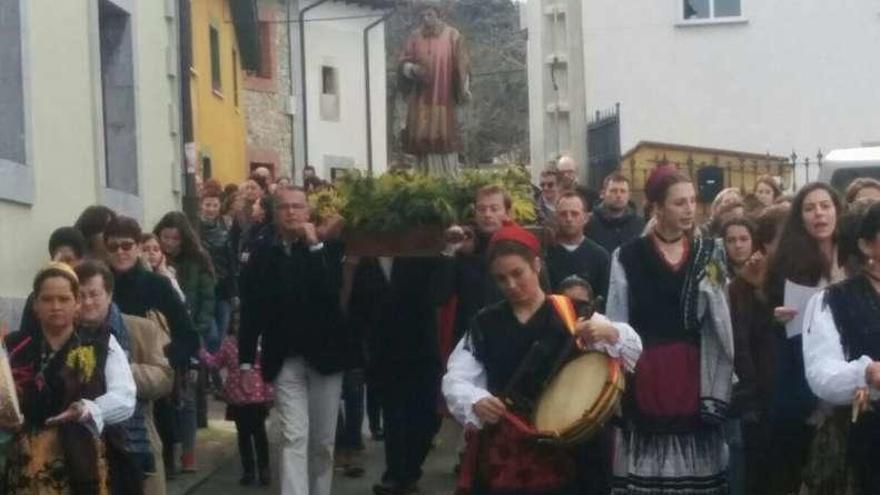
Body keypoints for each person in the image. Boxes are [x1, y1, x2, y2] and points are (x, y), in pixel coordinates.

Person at [443, 223, 641, 495]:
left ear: (536, 265)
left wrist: (608, 332)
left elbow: (631, 347)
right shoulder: (485, 323)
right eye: (501, 279)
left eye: (517, 273)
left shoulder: (572, 311)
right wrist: (475, 399)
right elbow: (457, 377)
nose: (511, 285)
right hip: (510, 449)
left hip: (572, 449)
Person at [606, 166, 734, 495]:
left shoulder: (710, 254)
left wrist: (720, 379)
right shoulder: (628, 256)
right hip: (646, 371)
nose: (689, 208)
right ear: (657, 207)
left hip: (694, 374)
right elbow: (617, 318)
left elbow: (720, 319)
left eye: (692, 201)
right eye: (679, 202)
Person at [238, 186, 350, 495]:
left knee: (323, 441)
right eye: (284, 207)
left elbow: (330, 292)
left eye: (297, 207)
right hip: (284, 357)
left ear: (308, 212)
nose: (291, 212)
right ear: (274, 214)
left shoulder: (328, 249)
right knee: (293, 435)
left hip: (325, 357)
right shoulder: (261, 253)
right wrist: (246, 363)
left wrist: (314, 245)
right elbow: (251, 309)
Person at [5, 263, 136, 494]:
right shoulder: (14, 346)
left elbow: (125, 397)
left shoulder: (101, 345)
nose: (55, 306)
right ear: (35, 304)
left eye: (64, 299)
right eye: (47, 299)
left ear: (77, 303)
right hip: (24, 465)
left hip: (82, 462)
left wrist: (86, 409)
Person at [103, 216, 200, 476]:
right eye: (113, 247)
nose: (121, 252)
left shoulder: (158, 285)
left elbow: (188, 335)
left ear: (137, 247)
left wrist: (164, 362)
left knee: (150, 466)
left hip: (150, 392)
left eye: (126, 245)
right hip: (106, 385)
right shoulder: (99, 287)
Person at [763, 182, 844, 494]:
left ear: (837, 211)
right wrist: (775, 316)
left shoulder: (857, 258)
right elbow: (766, 315)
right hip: (802, 376)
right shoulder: (786, 262)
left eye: (825, 206)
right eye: (810, 208)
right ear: (800, 218)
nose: (819, 214)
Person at [75, 260, 173, 495]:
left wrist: (115, 371)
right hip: (82, 447)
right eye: (80, 295)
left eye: (94, 294)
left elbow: (164, 379)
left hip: (137, 442)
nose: (87, 302)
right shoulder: (65, 334)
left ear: (109, 295)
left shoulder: (141, 329)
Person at [803, 201, 880, 494]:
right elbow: (821, 374)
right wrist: (867, 373)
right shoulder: (832, 301)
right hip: (865, 442)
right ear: (866, 244)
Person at [727, 203, 789, 495]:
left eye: (743, 239)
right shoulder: (733, 286)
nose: (738, 246)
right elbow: (739, 342)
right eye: (731, 240)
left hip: (780, 382)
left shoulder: (779, 278)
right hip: (751, 388)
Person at [154, 211, 216, 469]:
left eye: (175, 238)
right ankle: (170, 450)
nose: (169, 243)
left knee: (187, 396)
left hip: (189, 334)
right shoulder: (153, 260)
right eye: (165, 237)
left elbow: (207, 300)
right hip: (161, 335)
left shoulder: (197, 262)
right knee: (166, 396)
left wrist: (197, 332)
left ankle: (188, 452)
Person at [398, 5, 471, 175]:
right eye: (422, 15)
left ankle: (445, 173)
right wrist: (411, 69)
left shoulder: (453, 36)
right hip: (420, 99)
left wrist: (464, 88)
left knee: (443, 135)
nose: (425, 19)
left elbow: (463, 64)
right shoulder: (415, 37)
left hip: (444, 98)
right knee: (421, 136)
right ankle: (422, 174)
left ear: (439, 14)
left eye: (429, 14)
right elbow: (403, 62)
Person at [199, 322, 273, 487]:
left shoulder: (260, 343)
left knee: (258, 434)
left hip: (256, 398)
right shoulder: (229, 345)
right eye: (238, 322)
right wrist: (201, 352)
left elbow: (267, 368)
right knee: (245, 435)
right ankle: (250, 471)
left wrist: (269, 394)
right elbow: (215, 362)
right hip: (239, 399)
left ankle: (262, 470)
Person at [437, 185, 512, 340]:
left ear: (506, 213)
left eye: (494, 209)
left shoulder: (516, 247)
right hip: (469, 336)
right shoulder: (463, 245)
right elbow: (440, 295)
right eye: (482, 209)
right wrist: (451, 251)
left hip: (507, 334)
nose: (487, 214)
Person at [198, 191, 238, 391]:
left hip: (223, 291)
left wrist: (234, 292)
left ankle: (212, 378)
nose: (211, 209)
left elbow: (231, 261)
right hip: (204, 291)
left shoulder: (226, 230)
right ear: (201, 205)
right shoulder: (194, 231)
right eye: (207, 205)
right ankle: (210, 375)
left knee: (220, 339)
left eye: (214, 205)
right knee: (211, 335)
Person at [18, 226, 88, 335]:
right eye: (58, 260)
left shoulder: (91, 296)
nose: (62, 266)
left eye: (68, 260)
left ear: (81, 261)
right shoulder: (37, 297)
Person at [545, 191, 611, 304]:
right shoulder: (546, 255)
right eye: (563, 214)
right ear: (556, 217)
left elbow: (605, 299)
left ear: (585, 218)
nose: (569, 218)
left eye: (574, 213)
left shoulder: (600, 256)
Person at [587, 173, 645, 255]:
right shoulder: (588, 223)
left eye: (623, 191)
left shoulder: (639, 224)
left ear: (629, 195)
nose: (619, 195)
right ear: (603, 194)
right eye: (614, 191)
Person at [140, 233, 185, 302]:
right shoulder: (134, 274)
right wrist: (148, 272)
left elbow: (181, 299)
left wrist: (164, 272)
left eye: (156, 249)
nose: (152, 253)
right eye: (145, 250)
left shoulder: (169, 273)